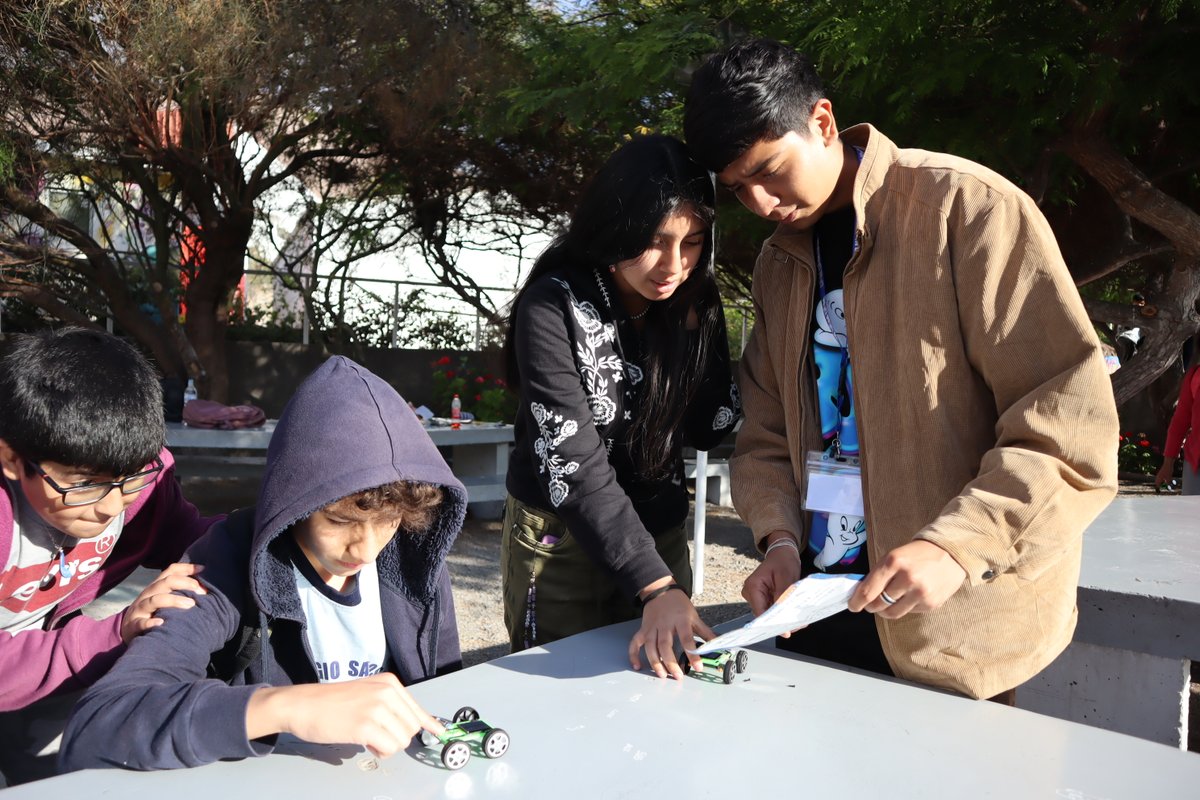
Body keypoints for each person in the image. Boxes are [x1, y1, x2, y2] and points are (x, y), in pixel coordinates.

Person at [683, 39, 1119, 700]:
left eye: (770, 170)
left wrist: (956, 547)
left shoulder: (968, 210)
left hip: (959, 625)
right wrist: (777, 539)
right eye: (739, 188)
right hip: (818, 614)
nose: (762, 204)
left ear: (823, 122)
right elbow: (767, 433)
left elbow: (1066, 429)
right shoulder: (780, 264)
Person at [59, 355, 466, 771]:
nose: (364, 551)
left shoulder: (416, 567)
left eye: (388, 522)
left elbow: (446, 699)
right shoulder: (221, 566)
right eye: (341, 521)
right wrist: (281, 707)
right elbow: (100, 724)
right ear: (295, 500)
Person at [501, 134, 741, 680]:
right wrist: (656, 585)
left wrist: (695, 342)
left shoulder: (693, 300)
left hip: (660, 535)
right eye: (654, 241)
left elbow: (710, 428)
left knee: (665, 694)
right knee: (561, 700)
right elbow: (573, 465)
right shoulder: (553, 304)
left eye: (694, 242)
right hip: (560, 538)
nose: (673, 265)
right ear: (616, 226)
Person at [0, 327, 213, 783]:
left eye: (131, 477)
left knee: (51, 779)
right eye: (82, 483)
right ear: (11, 458)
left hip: (47, 664)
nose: (111, 507)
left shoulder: (135, 481)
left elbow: (188, 538)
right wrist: (113, 632)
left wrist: (276, 524)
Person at [1155, 351, 1200, 495]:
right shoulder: (1195, 377)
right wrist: (1168, 464)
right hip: (1196, 464)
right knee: (1191, 516)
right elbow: (1180, 423)